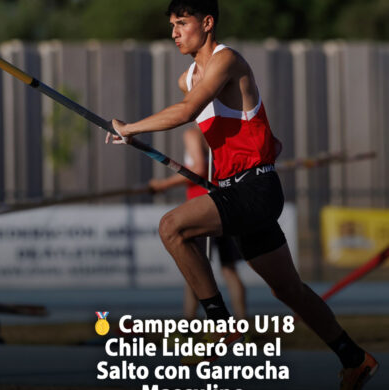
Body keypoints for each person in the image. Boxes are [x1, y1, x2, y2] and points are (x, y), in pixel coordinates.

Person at [105, 0, 378, 387]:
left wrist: (130, 127)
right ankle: (354, 358)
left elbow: (186, 111)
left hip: (256, 191)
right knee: (289, 290)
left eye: (182, 23)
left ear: (208, 22)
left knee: (172, 227)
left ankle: (220, 324)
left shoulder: (227, 60)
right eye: (172, 25)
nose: (174, 33)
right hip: (239, 189)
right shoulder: (188, 78)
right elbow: (270, 140)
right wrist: (258, 147)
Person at [148, 126, 246, 321]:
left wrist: (163, 185)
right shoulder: (224, 131)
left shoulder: (194, 134)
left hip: (202, 210)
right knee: (229, 270)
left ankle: (188, 327)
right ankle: (243, 326)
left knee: (196, 270)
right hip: (226, 205)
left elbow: (199, 168)